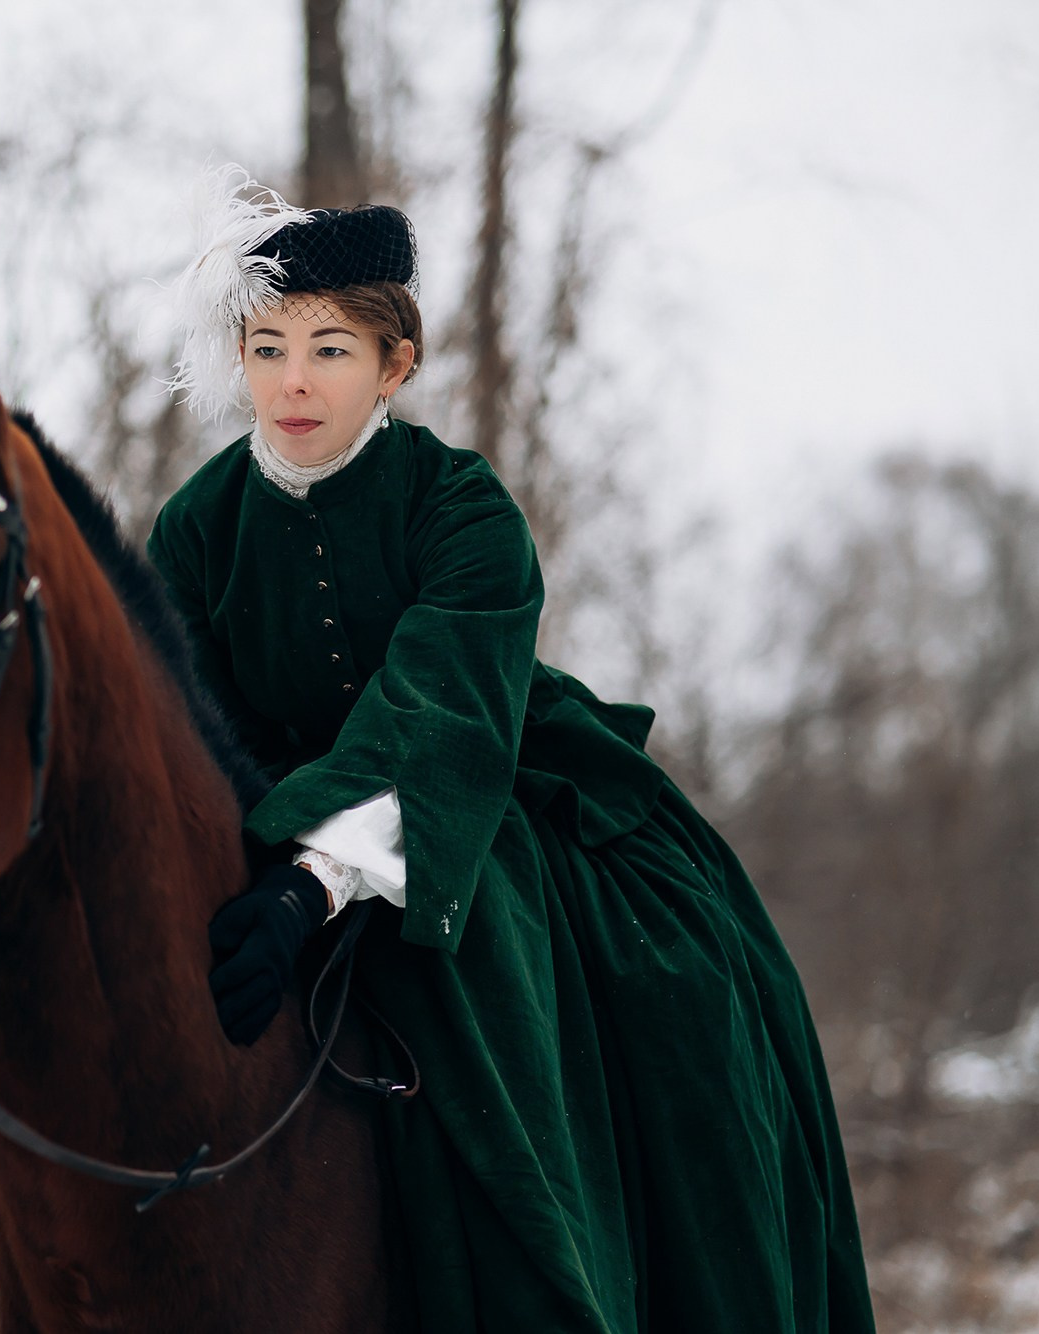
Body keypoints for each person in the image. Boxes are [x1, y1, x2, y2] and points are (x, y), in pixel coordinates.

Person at [144, 169, 876, 1332]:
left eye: (330, 348)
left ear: (394, 365)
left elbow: (438, 709)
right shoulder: (191, 527)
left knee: (667, 993)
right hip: (265, 821)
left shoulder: (463, 510)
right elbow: (179, 729)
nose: (292, 378)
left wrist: (313, 880)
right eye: (268, 342)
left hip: (474, 794)